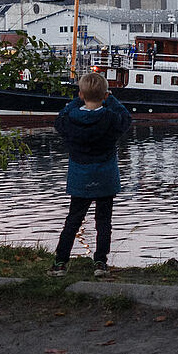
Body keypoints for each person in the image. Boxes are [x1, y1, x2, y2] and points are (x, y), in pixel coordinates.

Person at [49, 71, 132, 277]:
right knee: (103, 222)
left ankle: (60, 263)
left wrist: (75, 102)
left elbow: (59, 119)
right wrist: (110, 99)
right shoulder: (111, 118)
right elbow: (126, 119)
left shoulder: (70, 119)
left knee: (73, 220)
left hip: (80, 177)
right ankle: (100, 263)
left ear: (81, 95)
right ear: (105, 95)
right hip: (105, 176)